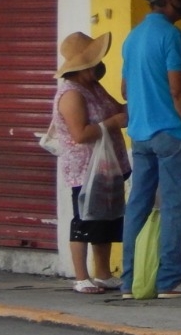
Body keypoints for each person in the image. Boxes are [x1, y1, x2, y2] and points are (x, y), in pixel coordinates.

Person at [121, 0, 181, 299]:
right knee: (173, 206)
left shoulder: (132, 38)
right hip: (170, 133)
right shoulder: (172, 37)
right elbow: (178, 90)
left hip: (140, 135)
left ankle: (129, 282)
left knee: (137, 206)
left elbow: (125, 90)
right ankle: (169, 279)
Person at [51, 32, 130, 294]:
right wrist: (112, 124)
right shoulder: (71, 94)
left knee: (105, 218)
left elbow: (117, 108)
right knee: (85, 219)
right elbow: (80, 134)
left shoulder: (93, 87)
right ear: (82, 66)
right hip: (86, 170)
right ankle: (81, 276)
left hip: (108, 167)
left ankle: (104, 273)